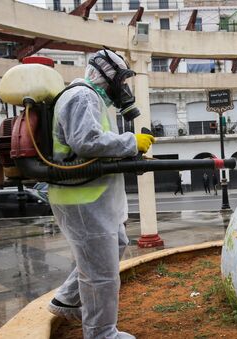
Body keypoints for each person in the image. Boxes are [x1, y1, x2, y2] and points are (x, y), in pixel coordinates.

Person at [46, 49, 155, 339]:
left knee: (114, 244)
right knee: (101, 274)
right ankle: (101, 334)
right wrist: (132, 142)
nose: (124, 88)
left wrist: (129, 148)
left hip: (88, 198)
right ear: (106, 76)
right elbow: (87, 142)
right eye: (121, 81)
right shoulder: (82, 96)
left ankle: (67, 298)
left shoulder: (89, 98)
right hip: (82, 200)